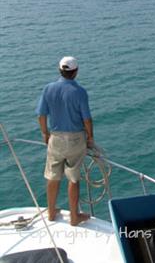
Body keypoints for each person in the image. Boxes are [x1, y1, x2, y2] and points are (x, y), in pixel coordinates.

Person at [36, 56, 94, 226]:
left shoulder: (48, 89)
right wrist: (90, 138)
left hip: (55, 138)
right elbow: (87, 120)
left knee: (53, 176)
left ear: (60, 70)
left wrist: (45, 134)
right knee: (73, 178)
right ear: (75, 71)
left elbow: (41, 114)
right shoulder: (80, 92)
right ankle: (74, 217)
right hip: (76, 140)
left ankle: (52, 212)